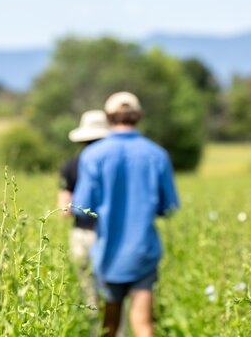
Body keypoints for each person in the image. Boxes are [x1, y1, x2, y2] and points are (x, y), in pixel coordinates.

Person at [73, 92, 179, 337]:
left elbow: (82, 207)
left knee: (110, 325)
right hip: (144, 251)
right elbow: (168, 206)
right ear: (139, 117)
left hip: (107, 253)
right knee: (143, 323)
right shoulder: (157, 154)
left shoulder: (93, 155)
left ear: (109, 118)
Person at [58, 110, 109, 305]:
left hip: (81, 232)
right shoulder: (112, 164)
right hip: (108, 232)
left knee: (88, 289)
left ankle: (95, 327)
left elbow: (64, 209)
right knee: (110, 289)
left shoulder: (70, 165)